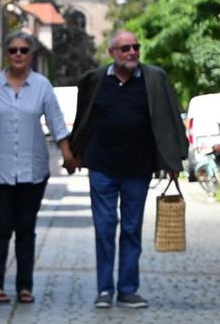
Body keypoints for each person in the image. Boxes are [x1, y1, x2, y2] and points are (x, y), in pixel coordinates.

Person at [66, 30, 188, 309]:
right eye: (125, 48)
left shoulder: (154, 78)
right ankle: (105, 290)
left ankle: (128, 289)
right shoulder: (95, 80)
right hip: (101, 167)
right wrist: (73, 153)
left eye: (135, 47)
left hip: (138, 167)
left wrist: (173, 160)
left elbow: (170, 117)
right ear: (112, 53)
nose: (132, 52)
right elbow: (82, 119)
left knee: (132, 228)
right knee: (105, 226)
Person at [0, 31, 76, 305]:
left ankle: (24, 286)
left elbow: (56, 122)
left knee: (26, 229)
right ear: (6, 54)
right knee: (1, 227)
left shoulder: (42, 85)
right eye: (13, 50)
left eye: (24, 50)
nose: (18, 54)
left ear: (31, 55)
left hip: (33, 169)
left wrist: (68, 156)